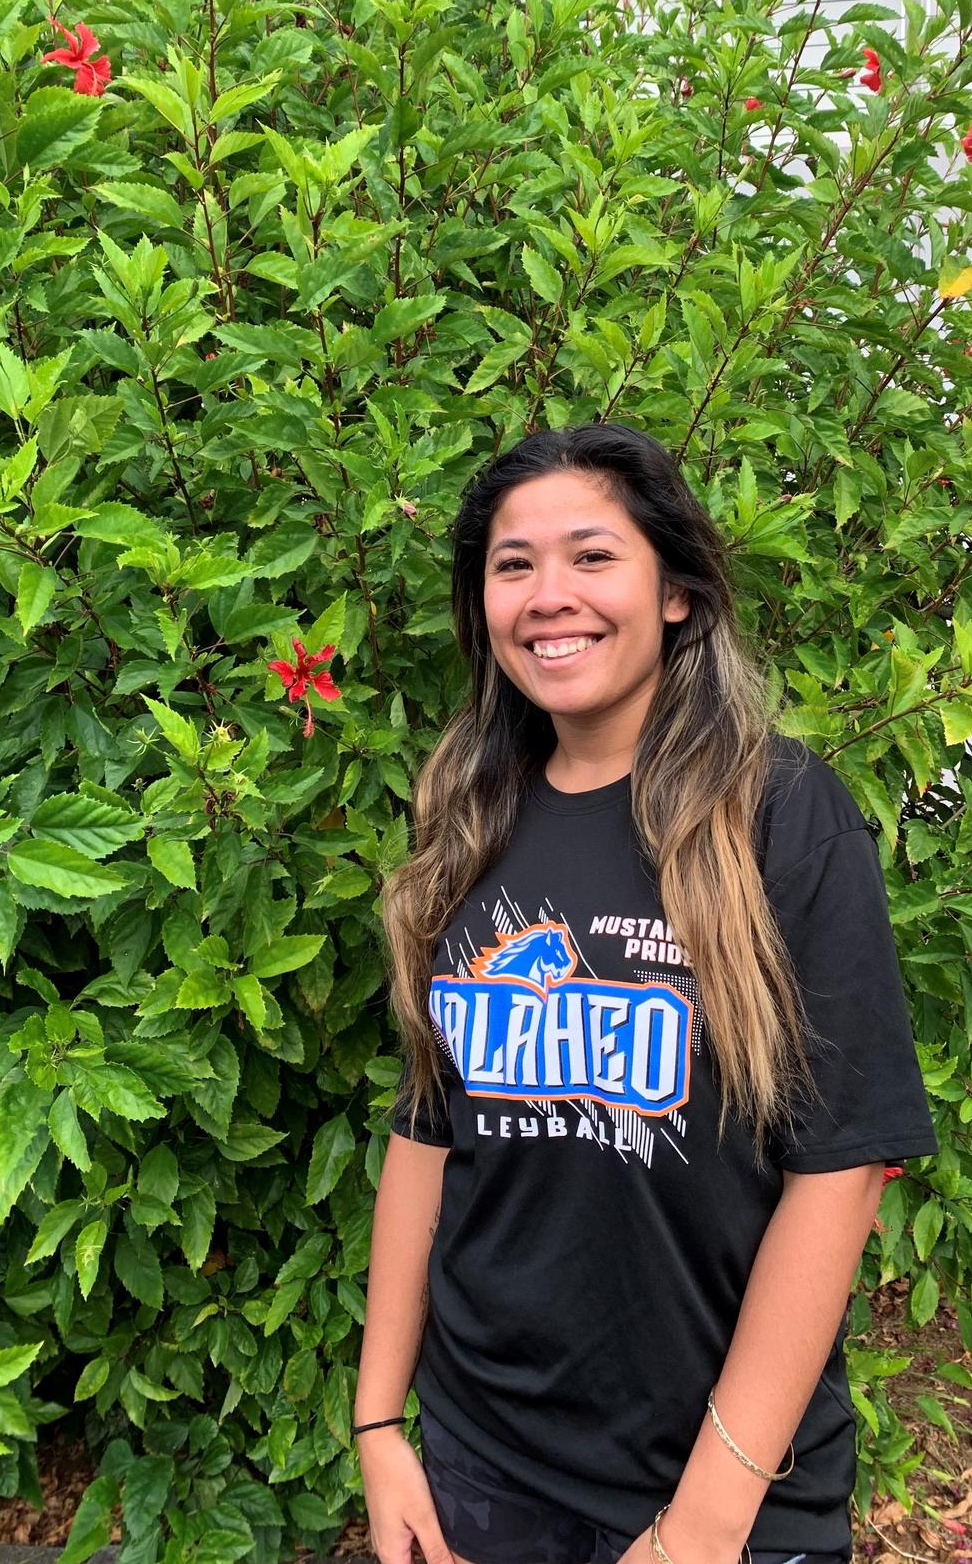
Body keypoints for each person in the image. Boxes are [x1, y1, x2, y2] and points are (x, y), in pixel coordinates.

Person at [355, 422, 939, 1564]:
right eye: (513, 565)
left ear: (674, 591)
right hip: (483, 1461)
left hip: (721, 1493)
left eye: (592, 556)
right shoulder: (468, 819)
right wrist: (380, 1423)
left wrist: (707, 1522)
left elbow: (841, 1170)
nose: (549, 595)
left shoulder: (779, 814)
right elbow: (428, 1131)